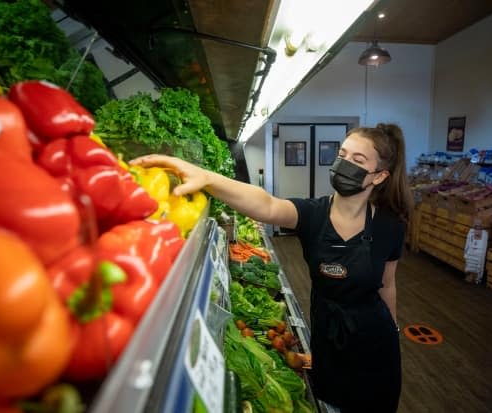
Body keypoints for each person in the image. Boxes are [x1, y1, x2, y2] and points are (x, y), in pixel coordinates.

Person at [132, 123, 413, 412]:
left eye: (358, 160)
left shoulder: (389, 227)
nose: (344, 164)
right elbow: (266, 205)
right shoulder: (313, 215)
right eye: (342, 154)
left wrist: (393, 328)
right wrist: (205, 177)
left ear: (378, 176)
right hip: (328, 335)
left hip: (375, 344)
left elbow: (387, 283)